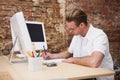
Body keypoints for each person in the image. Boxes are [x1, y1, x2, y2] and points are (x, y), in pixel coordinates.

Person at [44, 8, 114, 80]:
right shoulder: (77, 35)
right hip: (84, 75)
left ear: (81, 25)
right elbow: (68, 53)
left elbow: (94, 62)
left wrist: (74, 60)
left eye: (72, 29)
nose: (69, 31)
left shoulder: (99, 35)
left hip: (99, 78)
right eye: (68, 28)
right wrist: (52, 56)